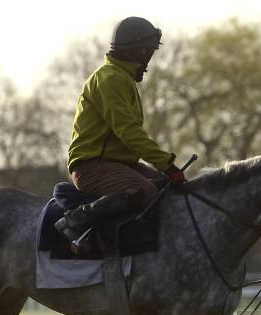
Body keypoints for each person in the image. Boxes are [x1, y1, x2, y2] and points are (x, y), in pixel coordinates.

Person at [61, 16, 184, 240]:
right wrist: (167, 164)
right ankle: (77, 218)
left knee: (168, 189)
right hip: (92, 168)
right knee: (146, 192)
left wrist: (168, 171)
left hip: (121, 165)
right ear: (136, 50)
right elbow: (129, 132)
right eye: (148, 51)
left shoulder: (122, 78)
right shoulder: (110, 79)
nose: (150, 58)